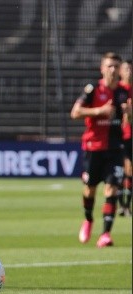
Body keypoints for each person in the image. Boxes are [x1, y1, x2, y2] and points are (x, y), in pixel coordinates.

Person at [70, 52, 132, 247]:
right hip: (93, 146)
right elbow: (75, 112)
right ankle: (88, 219)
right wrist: (99, 111)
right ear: (102, 68)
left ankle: (105, 234)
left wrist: (129, 116)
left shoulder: (125, 91)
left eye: (116, 66)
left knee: (112, 188)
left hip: (115, 148)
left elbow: (127, 121)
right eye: (109, 66)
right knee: (90, 189)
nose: (113, 70)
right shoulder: (93, 89)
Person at [118, 59, 132, 217]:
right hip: (119, 136)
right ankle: (121, 204)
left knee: (129, 170)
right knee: (121, 171)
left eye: (131, 69)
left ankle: (126, 205)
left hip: (130, 135)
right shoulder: (117, 90)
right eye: (126, 69)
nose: (129, 72)